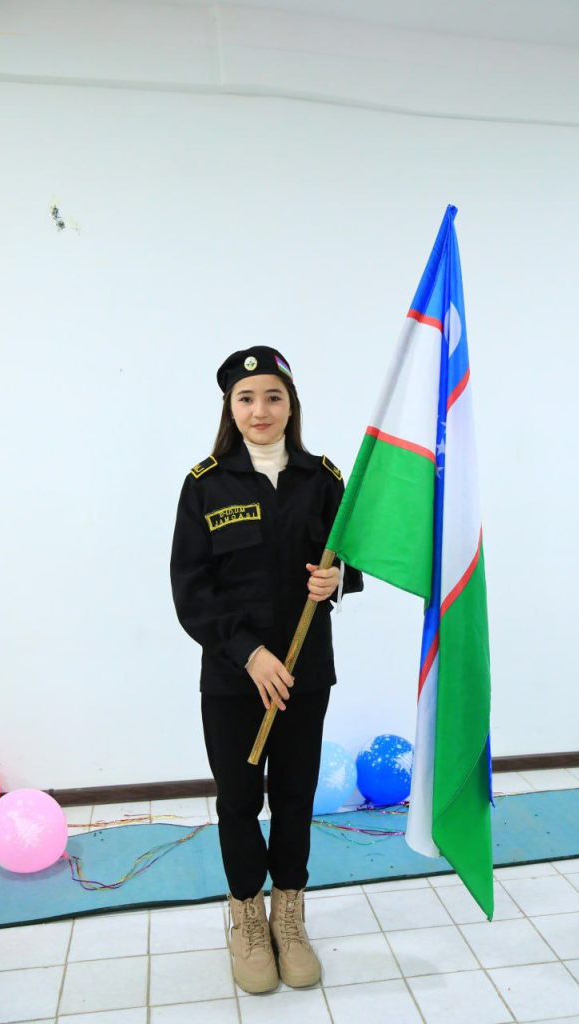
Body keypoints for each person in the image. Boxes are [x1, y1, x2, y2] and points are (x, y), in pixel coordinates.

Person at [169, 345, 364, 994]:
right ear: (230, 407)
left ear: (291, 405)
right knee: (238, 800)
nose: (261, 410)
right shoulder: (206, 484)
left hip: (306, 674)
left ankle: (289, 917)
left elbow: (352, 560)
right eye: (247, 398)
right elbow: (191, 591)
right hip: (235, 680)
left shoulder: (324, 478)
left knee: (294, 798)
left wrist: (337, 578)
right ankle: (247, 919)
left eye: (273, 397)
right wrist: (249, 653)